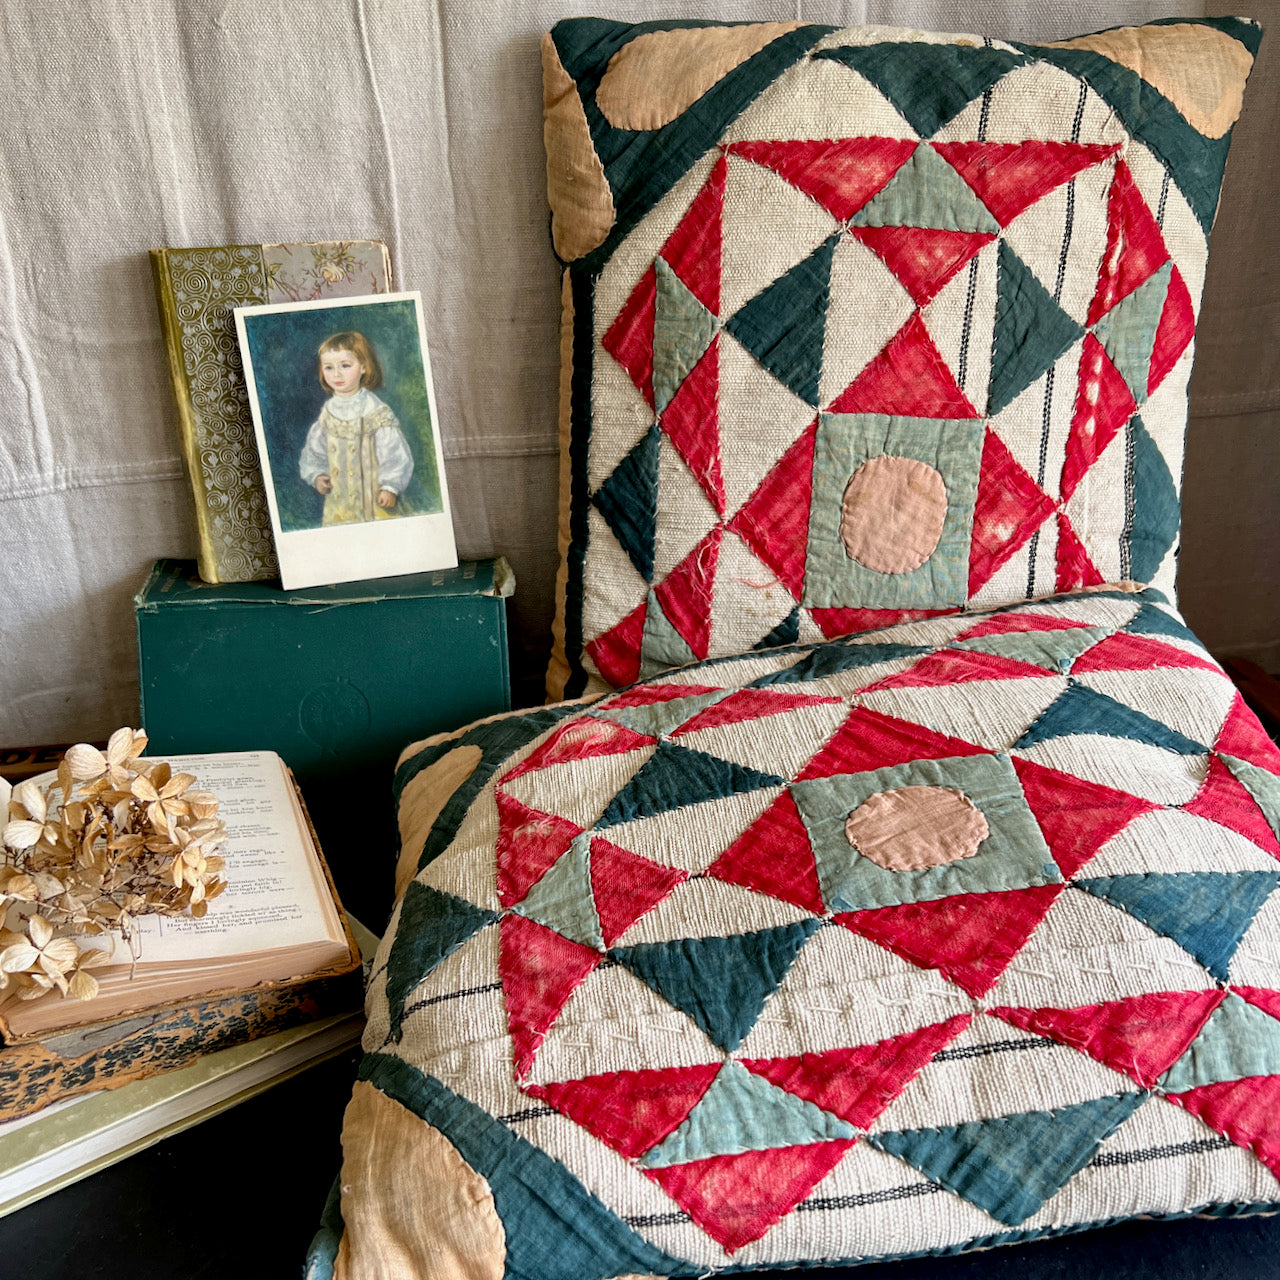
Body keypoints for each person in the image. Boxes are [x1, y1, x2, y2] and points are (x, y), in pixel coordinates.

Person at [299, 330, 414, 525]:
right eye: (328, 367)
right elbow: (314, 450)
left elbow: (395, 452)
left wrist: (390, 486)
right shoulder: (327, 413)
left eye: (345, 365)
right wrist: (317, 475)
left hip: (374, 500)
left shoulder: (375, 410)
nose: (336, 374)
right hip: (340, 504)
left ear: (363, 367)